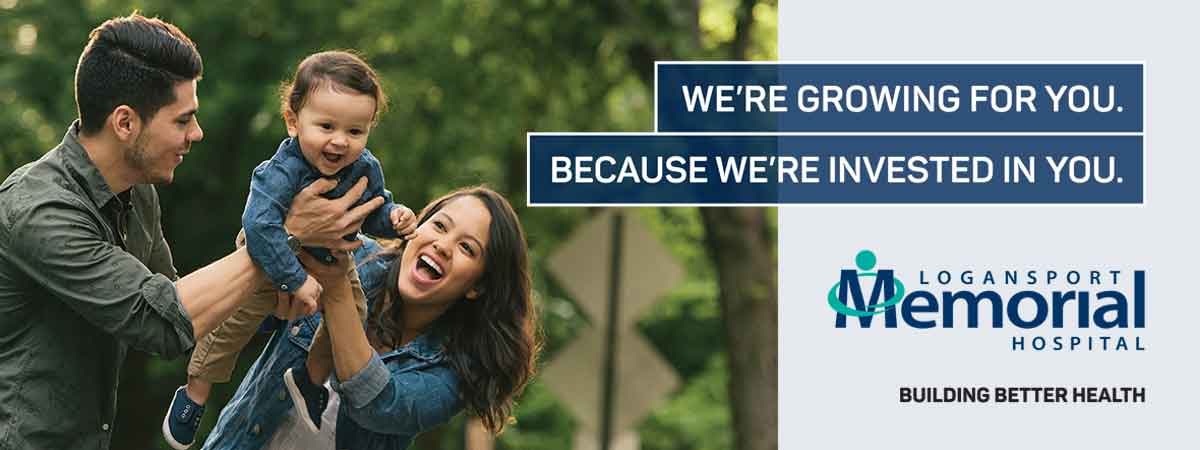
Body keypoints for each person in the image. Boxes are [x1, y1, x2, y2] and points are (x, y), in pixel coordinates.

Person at [0, 13, 383, 450]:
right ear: (125, 124)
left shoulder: (136, 194)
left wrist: (267, 307)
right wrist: (286, 233)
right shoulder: (39, 211)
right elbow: (158, 321)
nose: (196, 134)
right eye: (183, 120)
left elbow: (185, 308)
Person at [162, 50, 418, 449]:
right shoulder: (282, 170)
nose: (340, 141)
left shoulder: (365, 167)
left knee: (355, 313)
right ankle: (195, 392)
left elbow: (373, 207)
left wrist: (395, 217)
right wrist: (294, 279)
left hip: (331, 260)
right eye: (327, 125)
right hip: (270, 257)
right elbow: (260, 226)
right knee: (230, 323)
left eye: (355, 131)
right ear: (293, 121)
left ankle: (309, 376)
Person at [202, 187, 540, 450]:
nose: (442, 245)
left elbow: (378, 403)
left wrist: (336, 291)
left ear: (477, 287)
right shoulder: (351, 255)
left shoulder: (450, 373)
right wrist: (290, 236)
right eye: (439, 226)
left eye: (467, 248)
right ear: (416, 229)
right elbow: (257, 249)